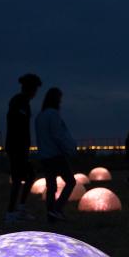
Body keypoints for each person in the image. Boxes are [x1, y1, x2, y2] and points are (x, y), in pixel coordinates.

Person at [35, 88, 77, 222]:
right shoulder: (53, 114)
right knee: (71, 181)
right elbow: (58, 135)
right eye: (60, 99)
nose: (61, 102)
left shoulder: (40, 116)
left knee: (51, 186)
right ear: (55, 100)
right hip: (56, 154)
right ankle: (57, 209)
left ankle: (51, 214)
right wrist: (68, 149)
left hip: (45, 156)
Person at [5, 73, 43, 222]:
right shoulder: (19, 102)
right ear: (30, 89)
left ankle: (19, 208)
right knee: (17, 178)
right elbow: (17, 126)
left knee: (29, 175)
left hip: (19, 147)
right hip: (17, 147)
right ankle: (11, 213)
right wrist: (21, 146)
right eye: (34, 90)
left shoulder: (23, 102)